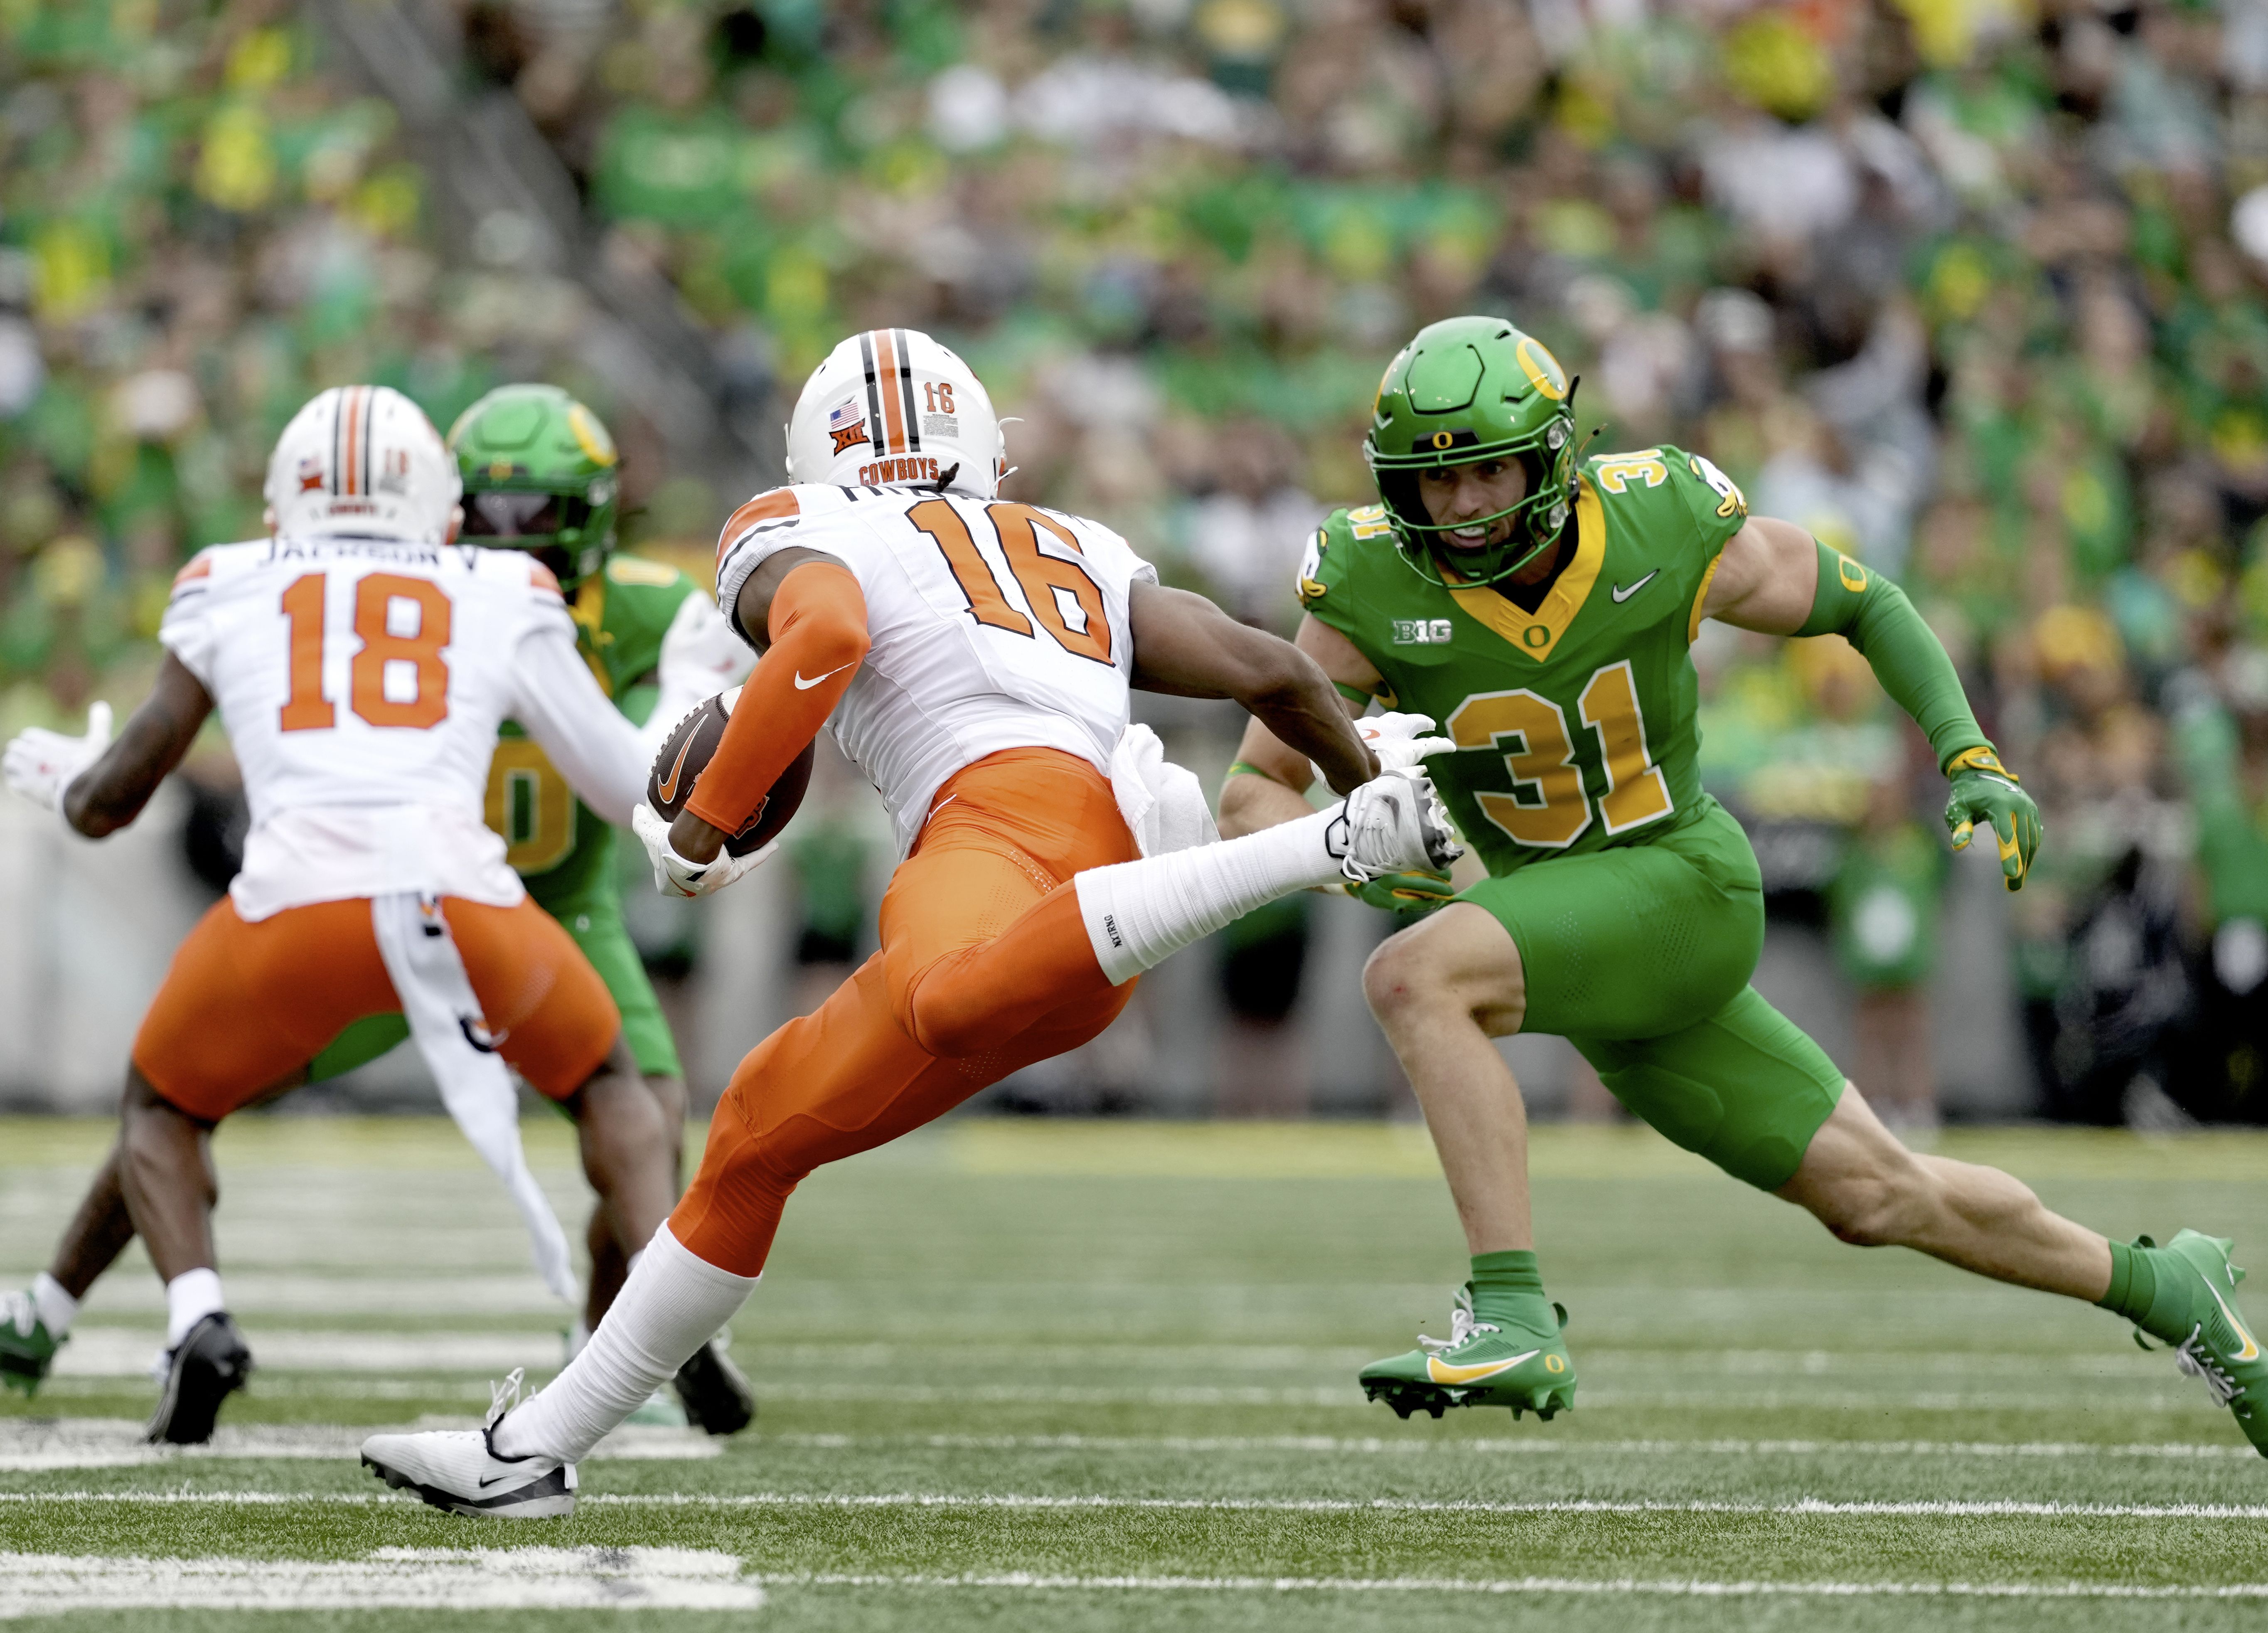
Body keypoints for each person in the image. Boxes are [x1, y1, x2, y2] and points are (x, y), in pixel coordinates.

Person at [357, 328, 1458, 1517]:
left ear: (815, 447)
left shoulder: (803, 521)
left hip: (993, 851)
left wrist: (700, 828)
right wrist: (1365, 777)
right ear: (981, 444)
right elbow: (1271, 672)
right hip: (1079, 893)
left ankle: (1300, 855)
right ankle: (532, 1450)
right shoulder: (1075, 542)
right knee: (752, 1132)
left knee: (936, 993)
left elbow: (826, 638)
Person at [1219, 316, 2268, 1456]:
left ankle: (1509, 1311)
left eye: (1487, 468)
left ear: (1551, 455)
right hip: (1587, 943)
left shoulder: (1655, 515)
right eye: (1433, 482)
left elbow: (1861, 600)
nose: (1463, 507)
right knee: (1877, 1196)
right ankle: (2167, 1290)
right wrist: (1354, 859)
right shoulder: (1365, 578)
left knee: (1413, 981)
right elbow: (1254, 794)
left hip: (1679, 882)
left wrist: (1965, 749)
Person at [0, 386, 760, 1437]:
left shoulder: (227, 578)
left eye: (537, 511)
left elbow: (112, 798)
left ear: (283, 502)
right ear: (443, 507)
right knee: (621, 1096)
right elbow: (627, 780)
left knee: (166, 1104)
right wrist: (699, 764)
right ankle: (673, 1331)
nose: (514, 533)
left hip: (307, 913)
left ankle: (193, 1317)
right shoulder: (501, 591)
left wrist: (70, 779)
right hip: (481, 906)